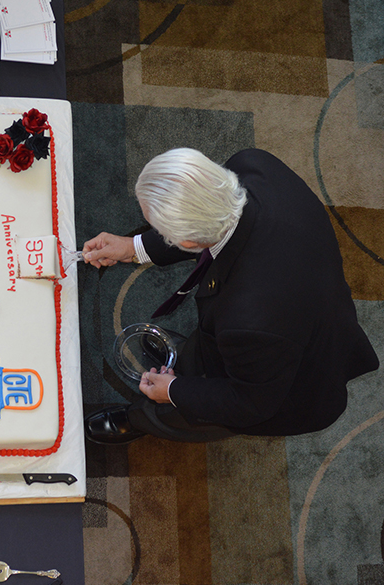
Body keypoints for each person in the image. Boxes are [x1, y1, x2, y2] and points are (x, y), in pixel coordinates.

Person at [82, 148, 379, 444]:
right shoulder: (253, 165)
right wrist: (134, 246)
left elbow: (249, 403)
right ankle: (192, 363)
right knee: (214, 344)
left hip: (290, 382)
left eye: (160, 229)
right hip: (293, 313)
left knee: (193, 408)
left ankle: (143, 418)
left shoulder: (248, 320)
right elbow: (206, 221)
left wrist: (173, 390)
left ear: (184, 240)